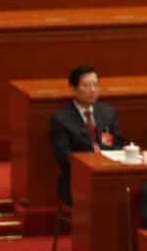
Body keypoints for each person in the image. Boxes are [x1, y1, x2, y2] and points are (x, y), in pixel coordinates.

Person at [48, 64, 125, 202]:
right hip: (76, 181)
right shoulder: (61, 119)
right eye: (86, 86)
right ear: (73, 89)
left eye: (95, 85)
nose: (92, 90)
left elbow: (118, 144)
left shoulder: (107, 113)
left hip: (109, 175)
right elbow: (63, 157)